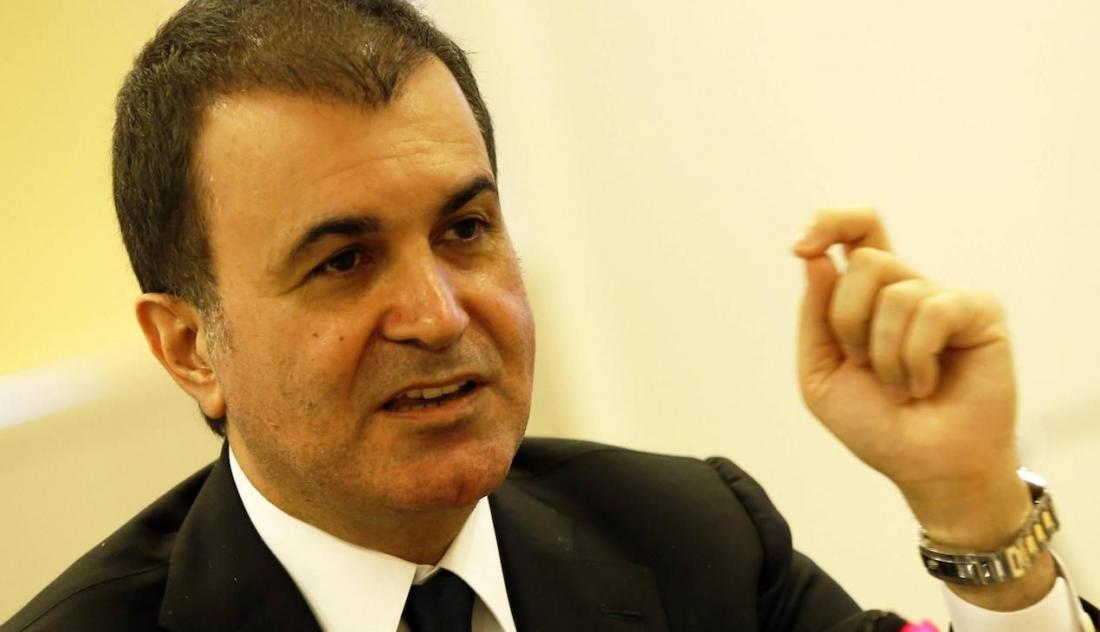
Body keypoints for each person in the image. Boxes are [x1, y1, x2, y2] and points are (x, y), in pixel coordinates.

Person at [3, 1, 1095, 630]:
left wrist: (972, 506)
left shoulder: (692, 541)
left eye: (465, 228)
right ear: (190, 347)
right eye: (343, 261)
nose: (438, 314)